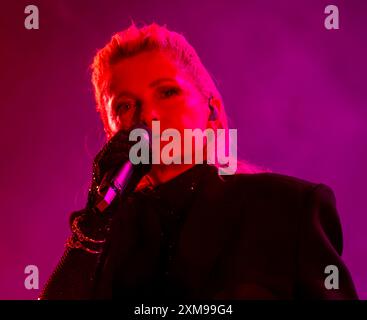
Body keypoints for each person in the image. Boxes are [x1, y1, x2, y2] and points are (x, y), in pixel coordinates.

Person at [40, 22, 358, 300]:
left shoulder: (288, 208)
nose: (147, 115)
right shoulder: (99, 241)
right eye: (124, 106)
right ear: (110, 131)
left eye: (167, 93)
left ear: (212, 111)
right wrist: (95, 223)